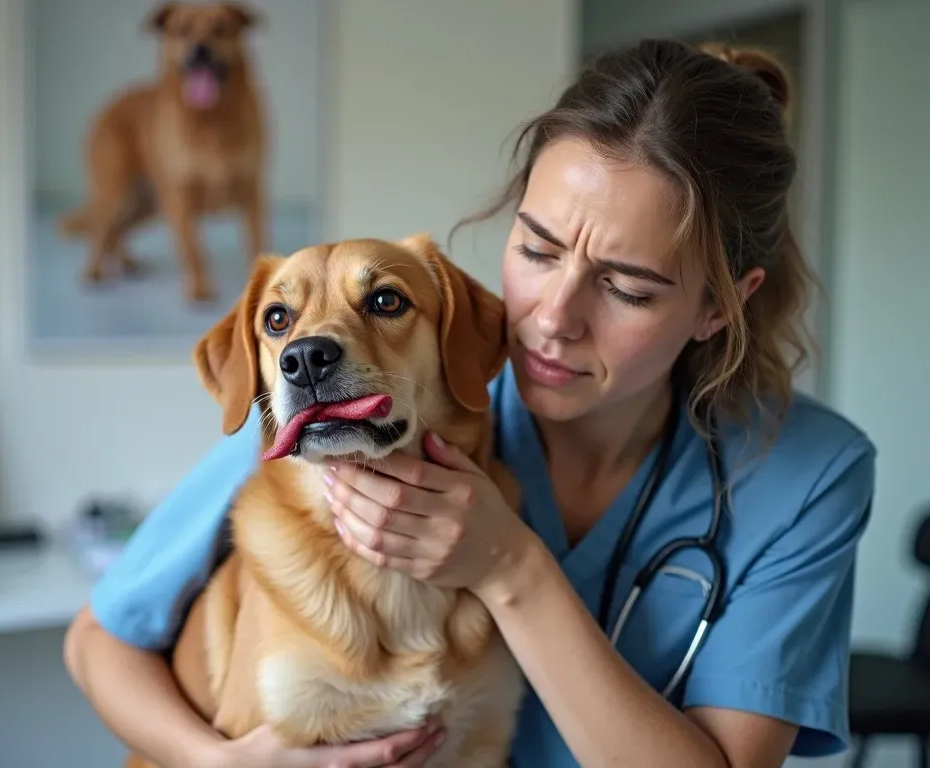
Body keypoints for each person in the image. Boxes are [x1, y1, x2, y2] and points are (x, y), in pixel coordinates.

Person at [63, 37, 876, 768]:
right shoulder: (362, 411)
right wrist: (216, 763)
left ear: (719, 307)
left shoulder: (807, 475)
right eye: (535, 248)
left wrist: (509, 564)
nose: (552, 320)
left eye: (627, 287)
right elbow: (101, 639)